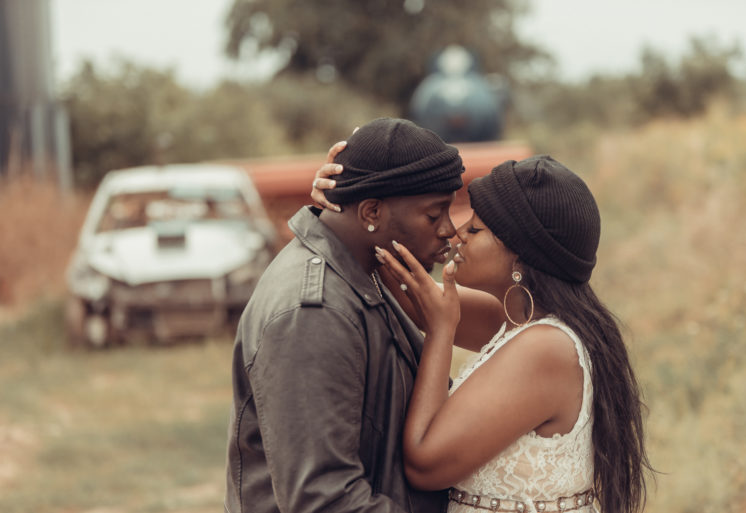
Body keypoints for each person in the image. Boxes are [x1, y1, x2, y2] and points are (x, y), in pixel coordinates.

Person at [312, 155, 652, 513]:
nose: (458, 234)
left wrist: (442, 332)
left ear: (521, 255)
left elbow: (424, 466)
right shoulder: (516, 319)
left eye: (475, 230)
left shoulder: (545, 348)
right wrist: (344, 204)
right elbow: (401, 286)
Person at [224, 117, 466, 513]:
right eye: (434, 215)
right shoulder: (313, 314)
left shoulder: (368, 272)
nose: (449, 231)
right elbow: (323, 500)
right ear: (371, 211)